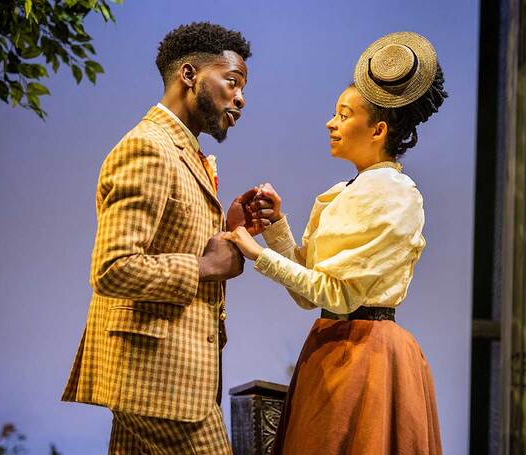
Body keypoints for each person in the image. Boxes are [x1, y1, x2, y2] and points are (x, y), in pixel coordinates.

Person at [224, 32, 447, 454]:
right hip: (330, 346)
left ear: (378, 129)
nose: (331, 123)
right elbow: (310, 291)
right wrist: (275, 226)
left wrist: (259, 255)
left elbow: (340, 294)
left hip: (367, 356)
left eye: (344, 115)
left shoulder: (394, 194)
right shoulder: (345, 190)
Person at [62, 22, 259, 454]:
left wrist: (225, 229)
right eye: (232, 81)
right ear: (189, 75)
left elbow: (173, 241)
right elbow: (113, 268)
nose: (241, 98)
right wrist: (206, 267)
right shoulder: (149, 147)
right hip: (159, 383)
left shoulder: (181, 149)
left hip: (159, 377)